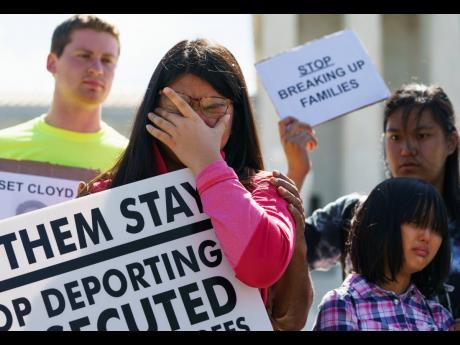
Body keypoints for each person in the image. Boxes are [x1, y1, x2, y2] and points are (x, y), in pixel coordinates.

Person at [77, 38, 312, 330]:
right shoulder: (103, 195)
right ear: (153, 109)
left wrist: (207, 164)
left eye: (213, 107)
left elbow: (260, 268)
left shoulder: (265, 190)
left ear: (235, 118)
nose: (196, 122)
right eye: (179, 105)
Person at [272, 83, 460, 323]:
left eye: (422, 135)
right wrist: (297, 171)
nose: (406, 149)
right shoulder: (353, 214)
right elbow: (278, 255)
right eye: (395, 137)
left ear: (451, 142)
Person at [313, 177, 453, 331]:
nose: (427, 236)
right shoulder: (342, 305)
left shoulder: (439, 316)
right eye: (416, 222)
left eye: (436, 228)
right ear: (381, 225)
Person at [0, 14, 128, 172]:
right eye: (84, 56)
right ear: (52, 63)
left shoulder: (128, 159)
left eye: (107, 60)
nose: (97, 69)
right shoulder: (3, 148)